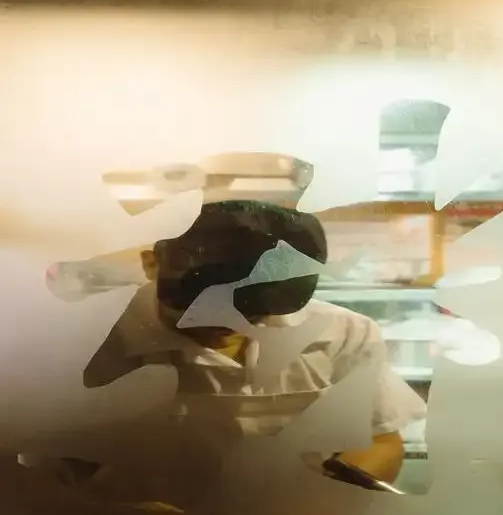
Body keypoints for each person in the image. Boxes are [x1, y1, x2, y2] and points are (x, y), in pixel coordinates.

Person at [21, 200, 426, 511]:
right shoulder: (86, 346)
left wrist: (324, 499)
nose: (233, 325)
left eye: (255, 312)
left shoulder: (341, 333)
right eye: (207, 309)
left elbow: (381, 441)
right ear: (151, 263)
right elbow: (28, 463)